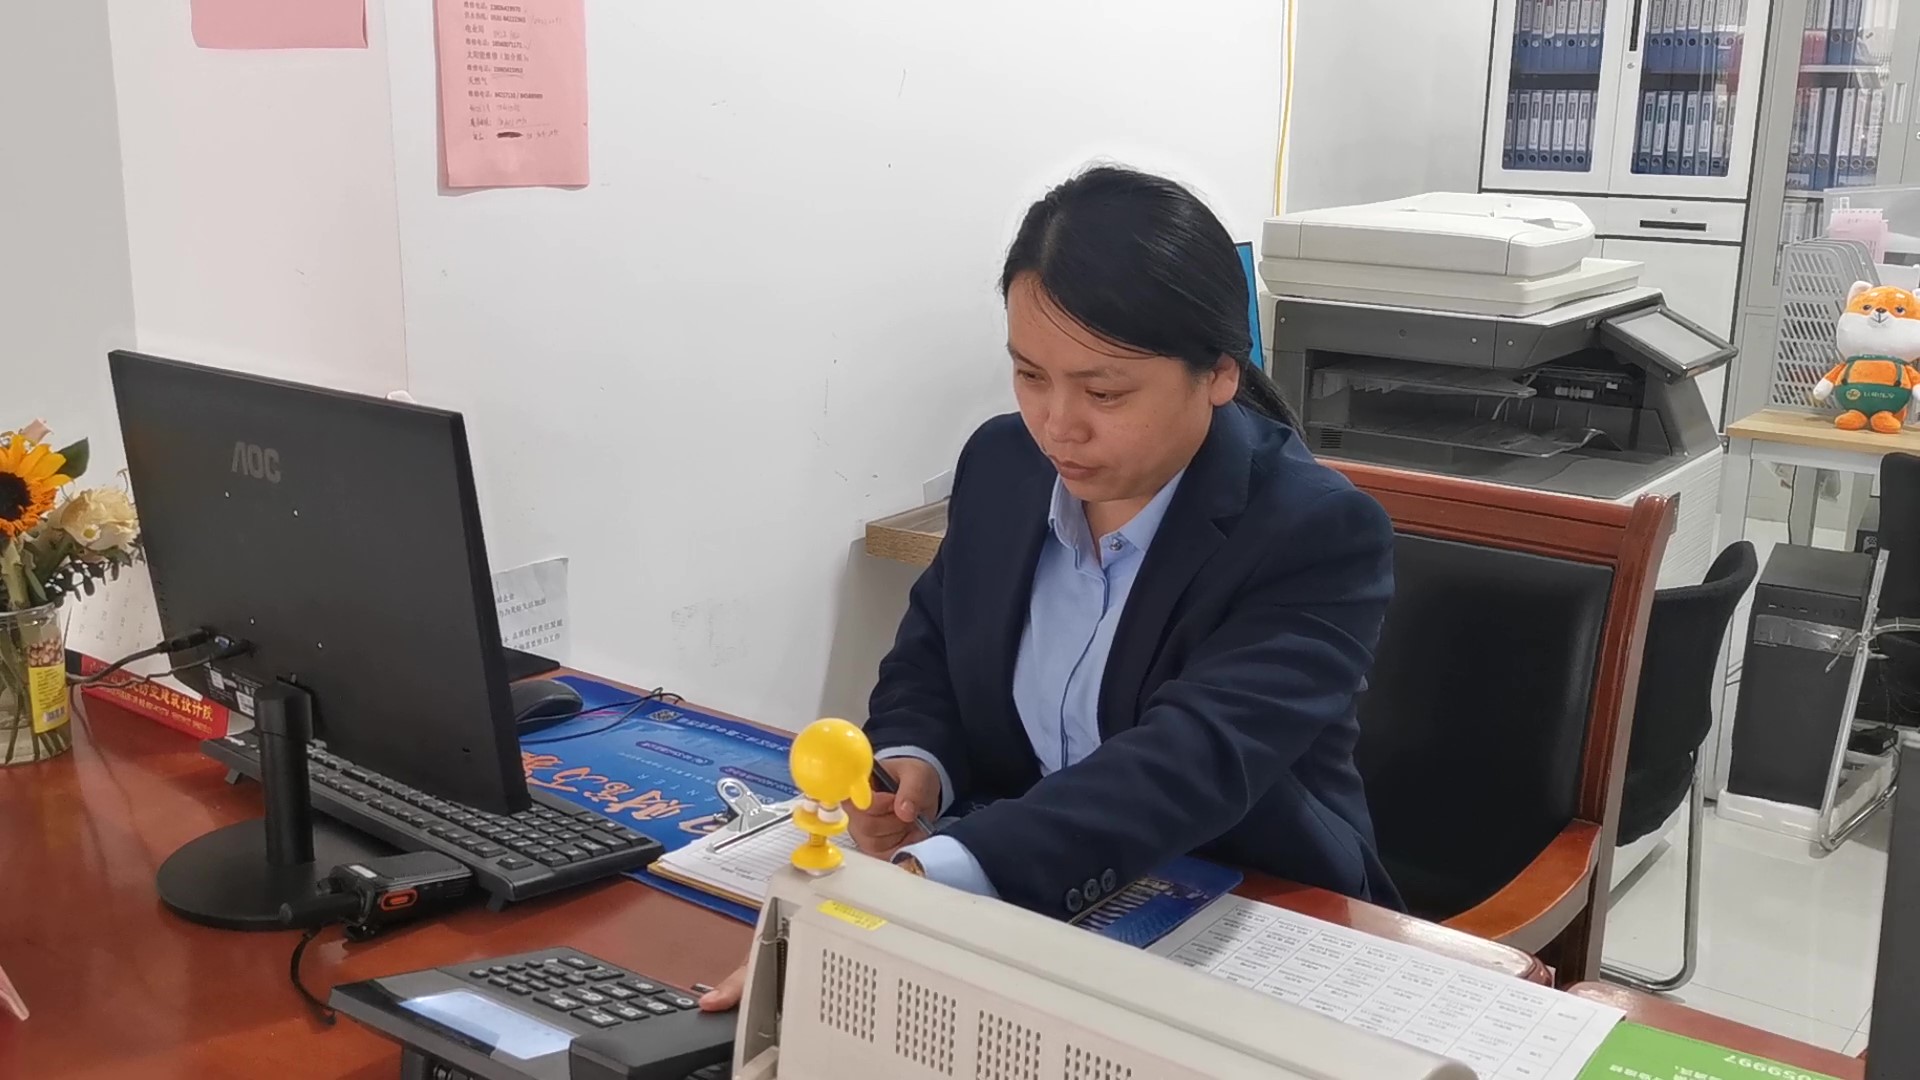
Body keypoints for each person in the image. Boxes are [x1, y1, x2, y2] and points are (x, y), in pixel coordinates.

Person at [701, 165, 1395, 1011]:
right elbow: (934, 654)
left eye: (1104, 391)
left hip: (1255, 912)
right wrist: (914, 764)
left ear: (1218, 372)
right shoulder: (1003, 465)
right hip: (1038, 910)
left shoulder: (1314, 532)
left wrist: (923, 886)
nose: (1058, 425)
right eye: (1031, 376)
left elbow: (1186, 763)